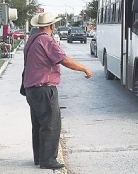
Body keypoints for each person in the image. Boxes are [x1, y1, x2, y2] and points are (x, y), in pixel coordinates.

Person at [23, 12, 93, 170]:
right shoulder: (46, 40)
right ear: (51, 26)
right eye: (54, 24)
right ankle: (48, 160)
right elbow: (64, 60)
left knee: (39, 124)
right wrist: (85, 69)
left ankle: (40, 157)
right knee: (51, 124)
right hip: (44, 88)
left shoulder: (32, 39)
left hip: (31, 88)